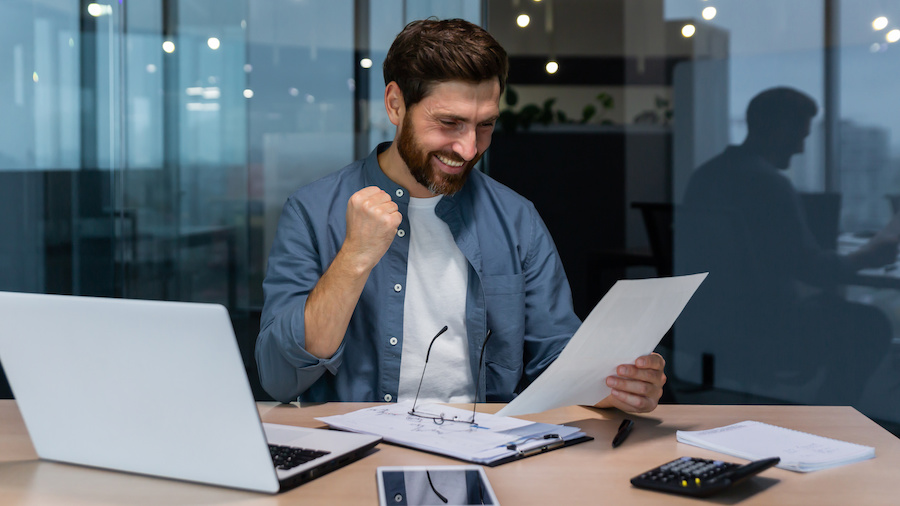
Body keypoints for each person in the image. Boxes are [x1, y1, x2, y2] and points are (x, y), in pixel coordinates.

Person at [256, 18, 666, 411]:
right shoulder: (312, 211)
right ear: (396, 104)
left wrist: (615, 388)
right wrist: (353, 259)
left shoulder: (516, 218)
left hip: (485, 452)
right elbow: (280, 376)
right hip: (357, 454)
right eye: (449, 123)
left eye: (484, 125)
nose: (469, 149)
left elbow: (556, 360)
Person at [681, 86, 897, 404]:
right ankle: (829, 421)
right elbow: (812, 268)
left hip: (708, 321)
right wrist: (867, 256)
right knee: (871, 325)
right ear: (780, 129)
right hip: (765, 328)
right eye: (800, 135)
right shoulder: (769, 184)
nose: (800, 148)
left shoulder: (706, 175)